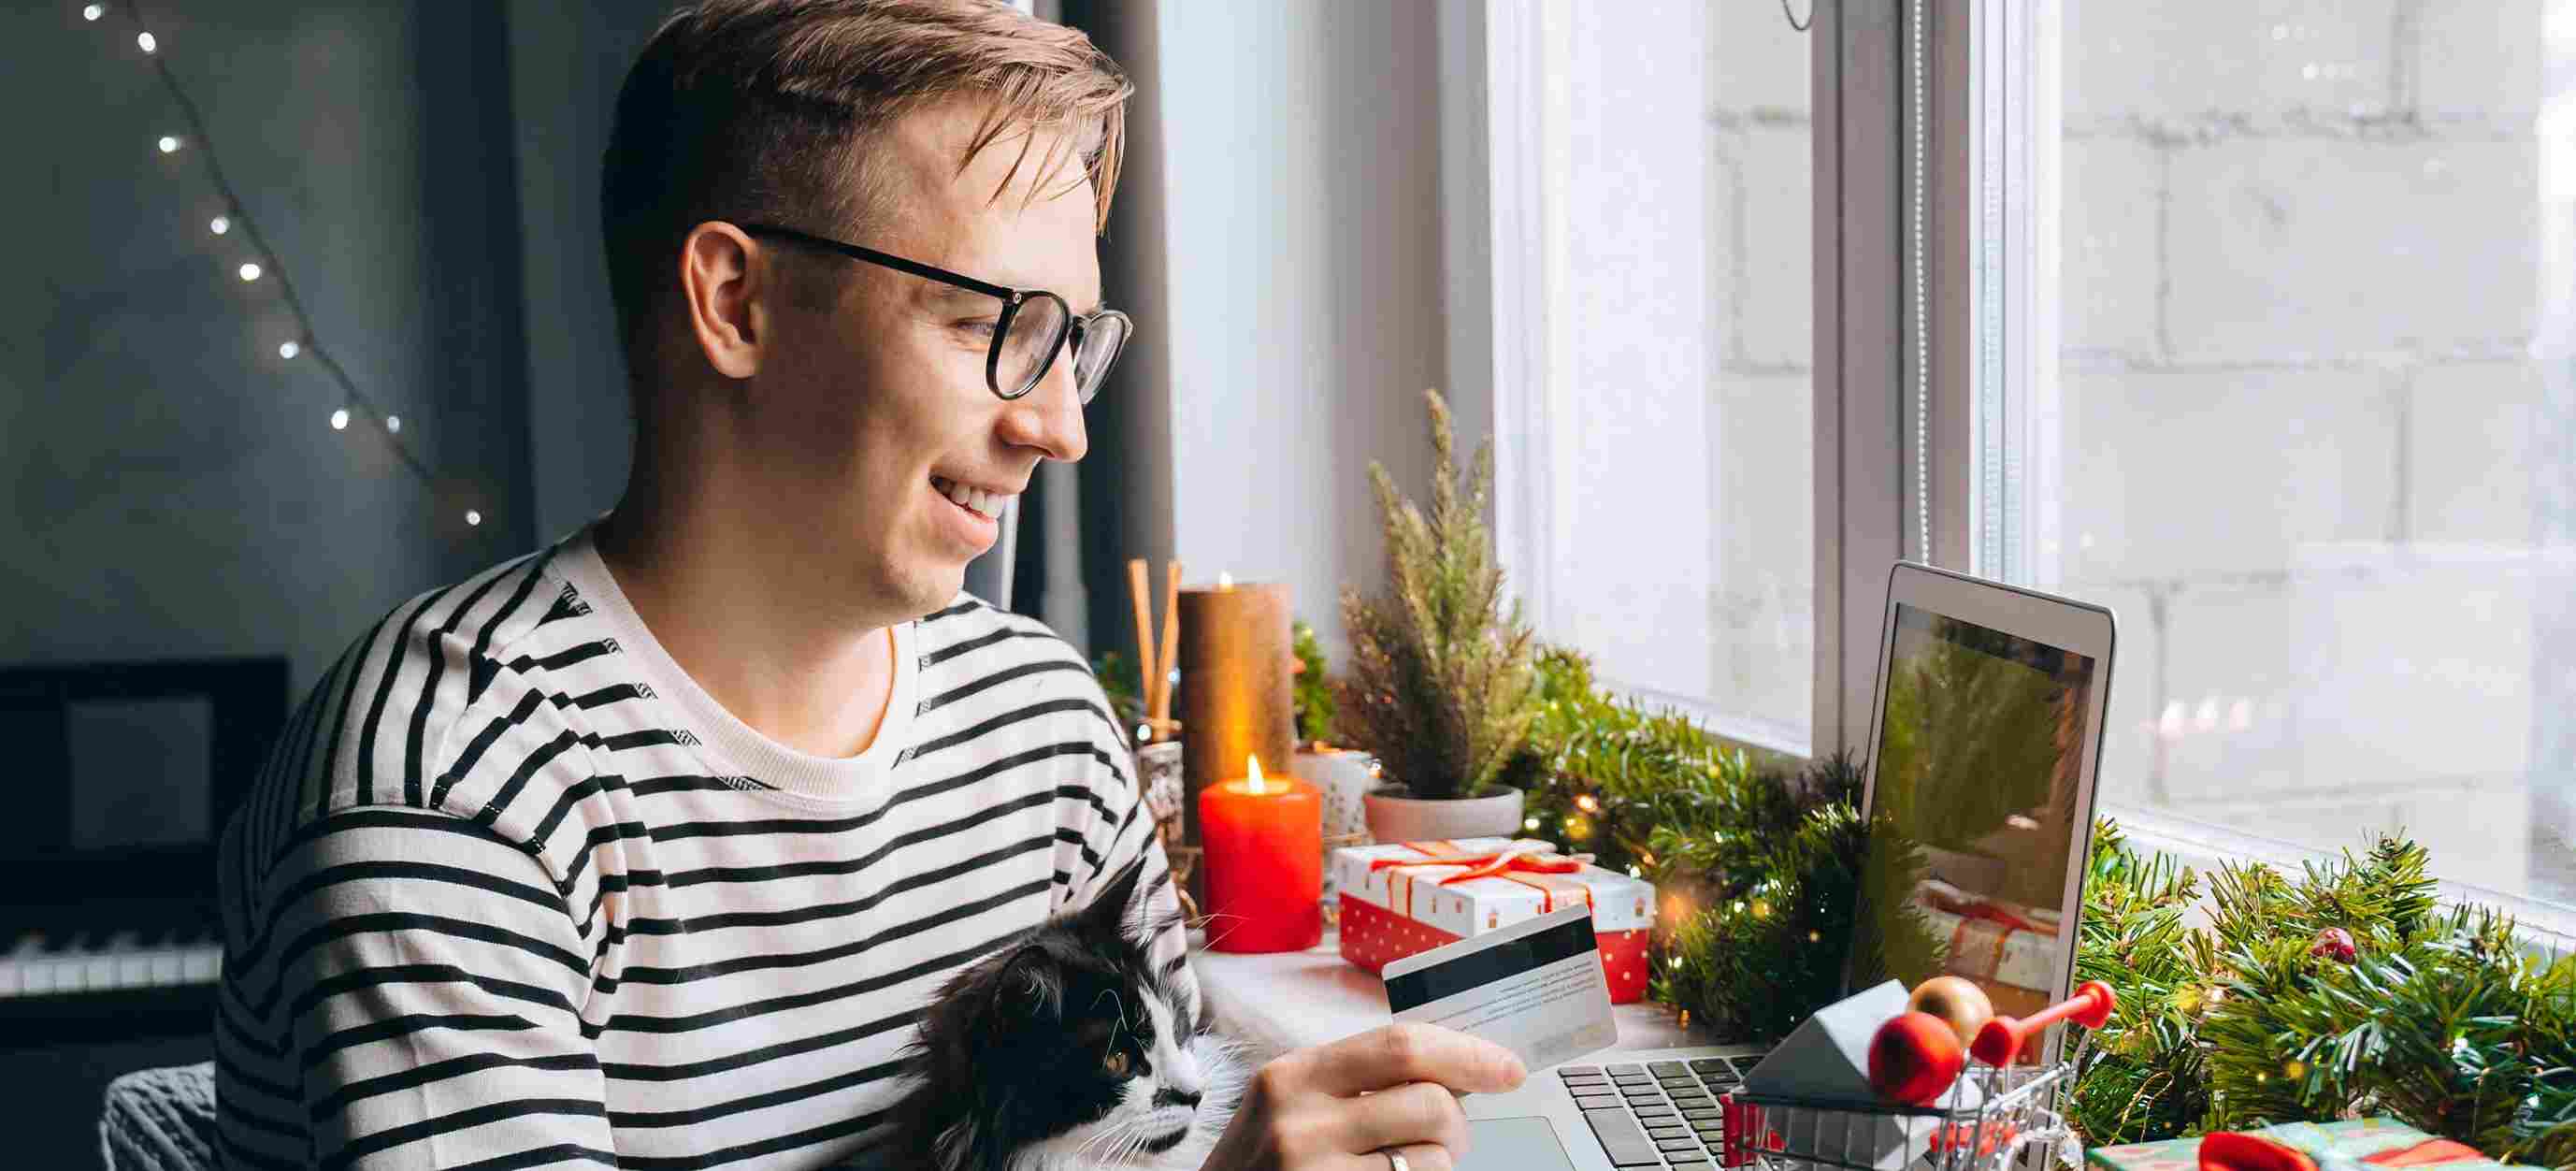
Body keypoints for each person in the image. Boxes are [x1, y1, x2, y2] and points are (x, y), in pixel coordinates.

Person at [210, 1, 1524, 1168]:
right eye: (991, 325)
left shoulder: (1041, 723)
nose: (1060, 427)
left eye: (1074, 343)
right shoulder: (454, 779)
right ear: (736, 303)